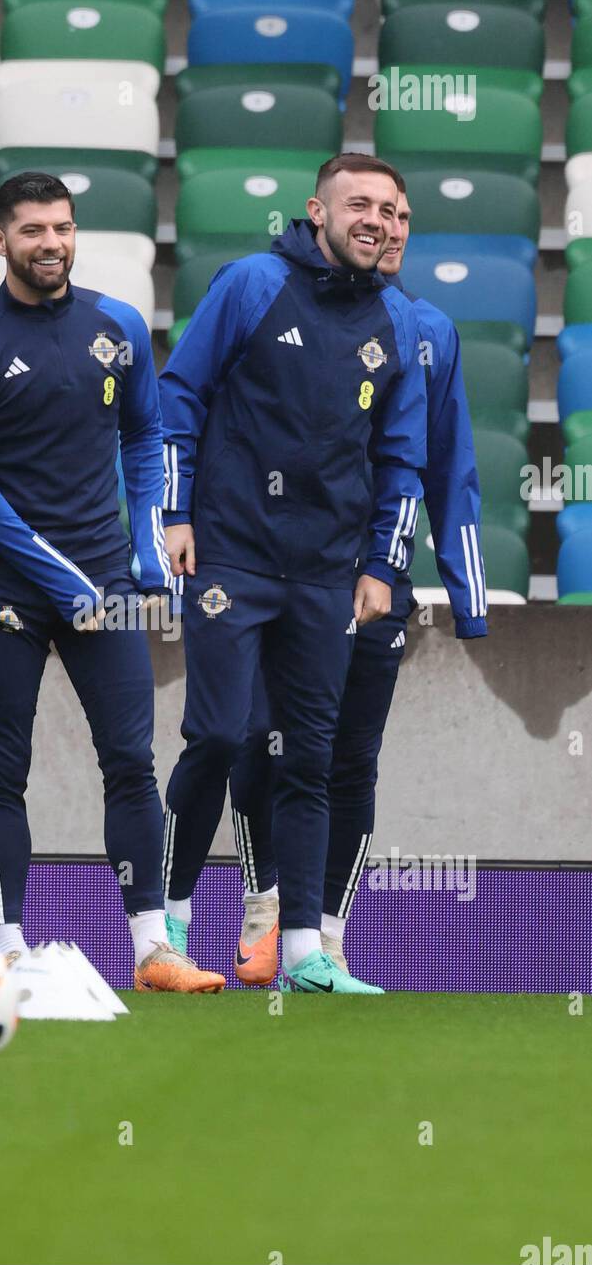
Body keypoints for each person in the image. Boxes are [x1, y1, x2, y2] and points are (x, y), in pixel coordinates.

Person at [0, 171, 224, 992]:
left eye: (62, 227)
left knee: (130, 762)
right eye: (32, 231)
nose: (51, 243)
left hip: (108, 592)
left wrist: (142, 548)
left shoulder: (117, 326)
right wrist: (63, 581)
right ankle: (7, 949)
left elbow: (142, 438)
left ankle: (151, 950)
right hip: (5, 598)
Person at [160, 154, 428, 994]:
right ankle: (167, 924)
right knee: (219, 734)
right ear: (317, 211)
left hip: (325, 577)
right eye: (358, 205)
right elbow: (178, 395)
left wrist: (383, 564)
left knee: (309, 759)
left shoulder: (398, 324)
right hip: (230, 558)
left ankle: (306, 951)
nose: (376, 220)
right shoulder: (250, 284)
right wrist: (173, 513)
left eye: (389, 209)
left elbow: (403, 461)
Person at [219, 180, 488, 983]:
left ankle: (328, 933)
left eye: (403, 217)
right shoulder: (275, 300)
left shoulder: (428, 330)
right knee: (258, 737)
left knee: (351, 758)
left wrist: (466, 599)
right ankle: (265, 903)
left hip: (376, 581)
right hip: (280, 564)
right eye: (374, 215)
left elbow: (449, 468)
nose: (389, 228)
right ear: (326, 217)